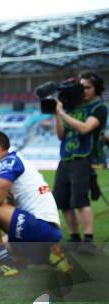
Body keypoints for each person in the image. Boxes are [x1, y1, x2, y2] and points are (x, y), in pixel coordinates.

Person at [0, 131, 64, 277]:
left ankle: (5, 265)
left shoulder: (9, 161)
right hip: (44, 229)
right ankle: (48, 255)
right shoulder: (15, 160)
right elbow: (10, 208)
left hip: (40, 226)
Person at [53, 72, 107, 255]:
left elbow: (85, 128)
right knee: (63, 202)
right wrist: (57, 115)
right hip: (65, 157)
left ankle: (89, 240)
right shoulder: (71, 108)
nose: (83, 90)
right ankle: (75, 238)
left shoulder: (99, 108)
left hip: (83, 158)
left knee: (81, 201)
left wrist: (62, 113)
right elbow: (61, 135)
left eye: (88, 87)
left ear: (96, 89)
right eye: (81, 87)